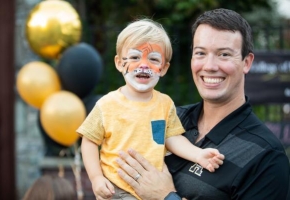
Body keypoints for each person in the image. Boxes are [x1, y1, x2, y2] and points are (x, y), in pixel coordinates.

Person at [116, 8, 290, 200]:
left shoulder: (266, 157)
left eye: (223, 54)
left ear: (246, 62)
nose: (209, 66)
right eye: (200, 53)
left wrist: (166, 196)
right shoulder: (169, 118)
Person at [76, 19, 224, 200]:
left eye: (153, 59)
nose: (143, 65)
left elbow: (172, 138)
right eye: (135, 57)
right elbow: (89, 141)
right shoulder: (107, 105)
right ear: (119, 63)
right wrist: (96, 177)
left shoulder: (164, 104)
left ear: (164, 68)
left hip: (152, 189)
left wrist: (199, 155)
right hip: (117, 188)